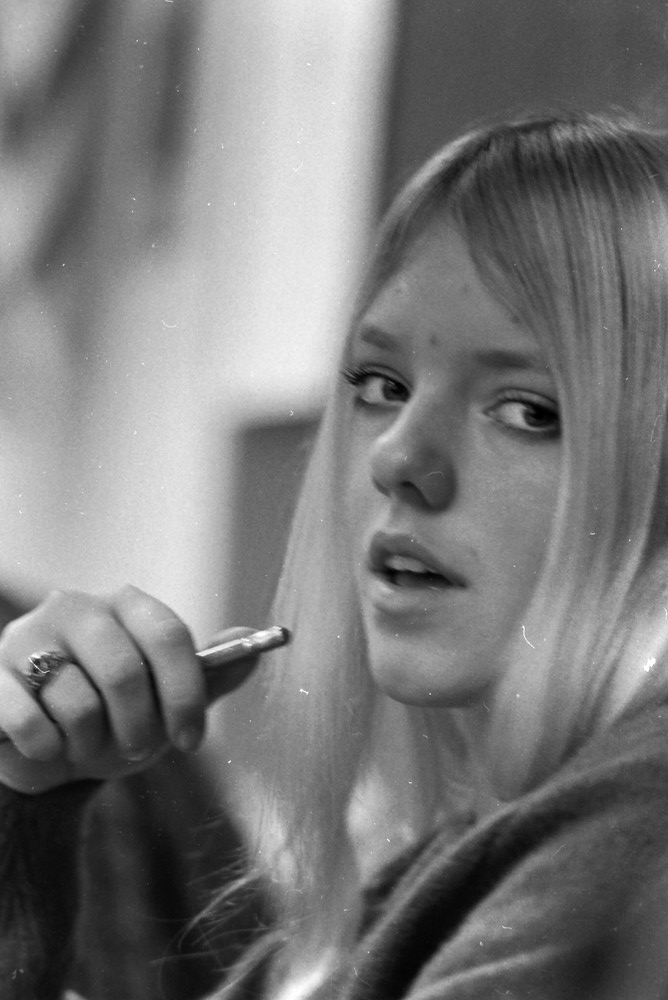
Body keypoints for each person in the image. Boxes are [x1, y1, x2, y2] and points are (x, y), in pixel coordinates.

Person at [2, 109, 668, 1000]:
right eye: (383, 385)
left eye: (527, 410)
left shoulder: (637, 821)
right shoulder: (439, 873)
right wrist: (26, 806)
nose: (400, 456)